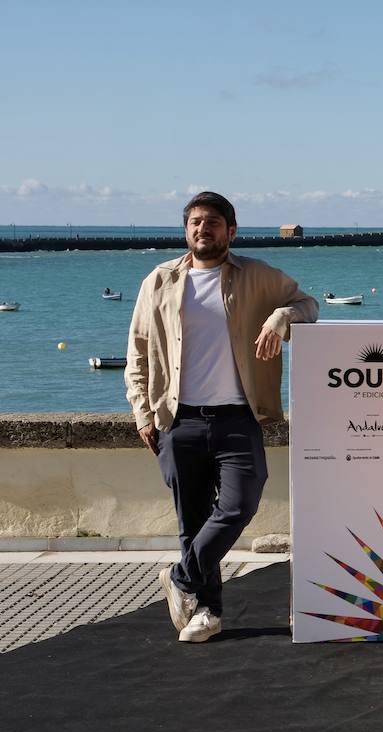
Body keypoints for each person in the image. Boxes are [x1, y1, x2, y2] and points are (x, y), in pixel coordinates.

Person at [125, 191, 318, 643]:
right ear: (185, 229)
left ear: (231, 231)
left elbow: (309, 305)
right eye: (194, 222)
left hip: (238, 418)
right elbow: (136, 352)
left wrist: (280, 318)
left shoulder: (258, 276)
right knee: (192, 521)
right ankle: (207, 613)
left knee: (240, 503)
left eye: (212, 222)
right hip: (178, 419)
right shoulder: (160, 281)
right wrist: (142, 415)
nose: (202, 229)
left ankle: (180, 577)